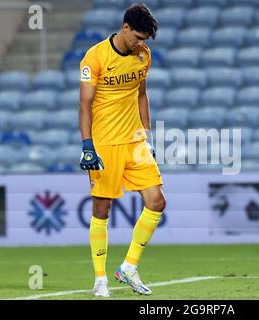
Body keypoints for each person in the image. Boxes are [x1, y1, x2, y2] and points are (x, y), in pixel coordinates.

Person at [78, 2, 165, 297]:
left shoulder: (143, 55)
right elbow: (85, 104)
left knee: (157, 201)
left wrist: (147, 136)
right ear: (125, 28)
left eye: (144, 40)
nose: (141, 44)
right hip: (104, 144)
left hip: (135, 142)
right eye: (138, 37)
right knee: (102, 209)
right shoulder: (95, 57)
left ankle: (128, 267)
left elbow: (142, 94)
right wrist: (87, 145)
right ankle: (100, 279)